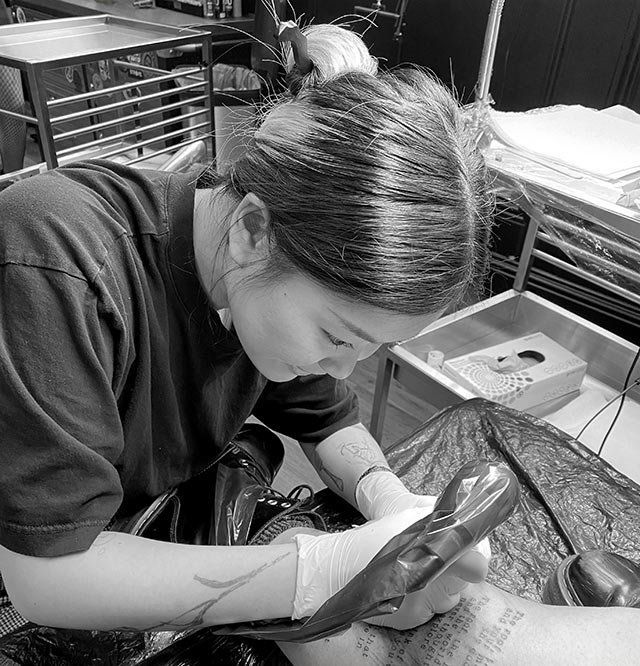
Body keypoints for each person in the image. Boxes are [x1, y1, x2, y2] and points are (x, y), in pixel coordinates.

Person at [0, 22, 492, 648]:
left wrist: (390, 501)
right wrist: (320, 573)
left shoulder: (252, 281)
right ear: (253, 231)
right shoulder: (57, 262)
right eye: (338, 337)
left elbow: (328, 418)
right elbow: (47, 579)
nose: (342, 368)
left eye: (368, 351)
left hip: (132, 514)